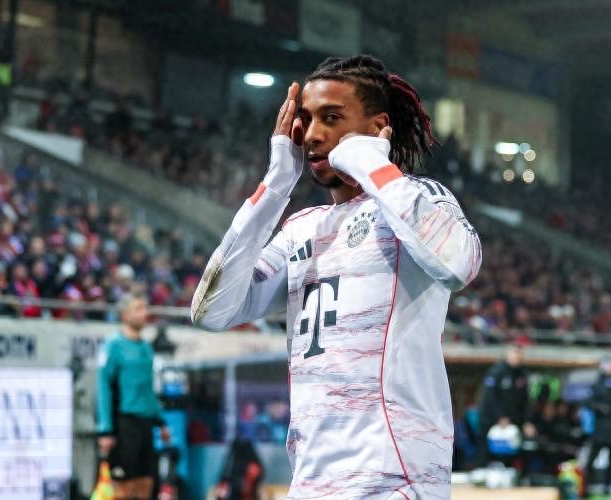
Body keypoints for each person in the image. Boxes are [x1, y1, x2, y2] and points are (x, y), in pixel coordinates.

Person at [191, 55, 482, 499]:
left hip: (394, 480)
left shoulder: (418, 198)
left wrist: (369, 162)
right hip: (312, 482)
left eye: (332, 118)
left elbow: (458, 264)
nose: (312, 134)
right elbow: (210, 310)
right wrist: (276, 184)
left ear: (377, 126)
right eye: (306, 120)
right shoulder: (301, 229)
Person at [96, 293, 169, 500]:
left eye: (145, 308)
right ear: (124, 314)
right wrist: (105, 430)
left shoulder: (146, 347)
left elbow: (148, 389)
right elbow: (104, 387)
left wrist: (161, 422)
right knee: (123, 488)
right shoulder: (113, 346)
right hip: (124, 425)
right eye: (138, 308)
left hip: (146, 426)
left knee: (147, 484)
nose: (144, 313)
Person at [477, 346, 529, 464]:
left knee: (512, 451)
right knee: (485, 449)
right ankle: (482, 469)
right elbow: (490, 396)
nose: (517, 357)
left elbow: (525, 400)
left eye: (519, 354)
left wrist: (526, 421)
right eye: (514, 353)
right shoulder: (496, 371)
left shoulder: (521, 374)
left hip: (513, 420)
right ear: (508, 354)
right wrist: (500, 416)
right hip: (491, 418)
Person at [583, 353, 611, 496]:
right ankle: (587, 484)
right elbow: (588, 401)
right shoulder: (598, 383)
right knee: (592, 457)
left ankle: (608, 486)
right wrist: (600, 407)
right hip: (601, 428)